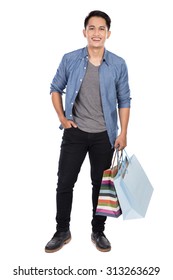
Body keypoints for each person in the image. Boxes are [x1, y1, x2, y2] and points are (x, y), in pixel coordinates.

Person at [45, 10, 131, 253]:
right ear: (85, 32)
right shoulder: (70, 59)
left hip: (104, 136)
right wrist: (63, 117)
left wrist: (123, 133)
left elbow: (124, 100)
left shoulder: (118, 64)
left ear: (108, 33)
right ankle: (62, 230)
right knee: (65, 182)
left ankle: (98, 230)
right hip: (75, 132)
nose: (96, 33)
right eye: (91, 28)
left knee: (100, 185)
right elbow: (55, 88)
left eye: (101, 28)